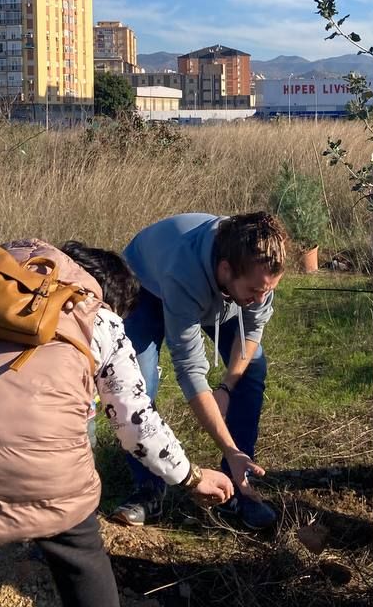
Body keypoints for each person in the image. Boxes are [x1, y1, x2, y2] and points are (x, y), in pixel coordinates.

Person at [0, 239, 233, 607]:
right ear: (111, 298)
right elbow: (135, 421)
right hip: (38, 458)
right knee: (80, 554)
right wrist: (192, 477)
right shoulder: (97, 314)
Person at [116, 211, 287, 530]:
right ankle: (149, 488)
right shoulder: (185, 274)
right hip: (146, 282)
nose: (261, 298)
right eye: (255, 290)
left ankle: (238, 486)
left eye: (268, 290)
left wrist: (226, 388)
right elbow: (190, 370)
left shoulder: (258, 268)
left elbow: (251, 333)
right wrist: (227, 445)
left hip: (211, 290)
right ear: (225, 270)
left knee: (252, 369)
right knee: (135, 383)